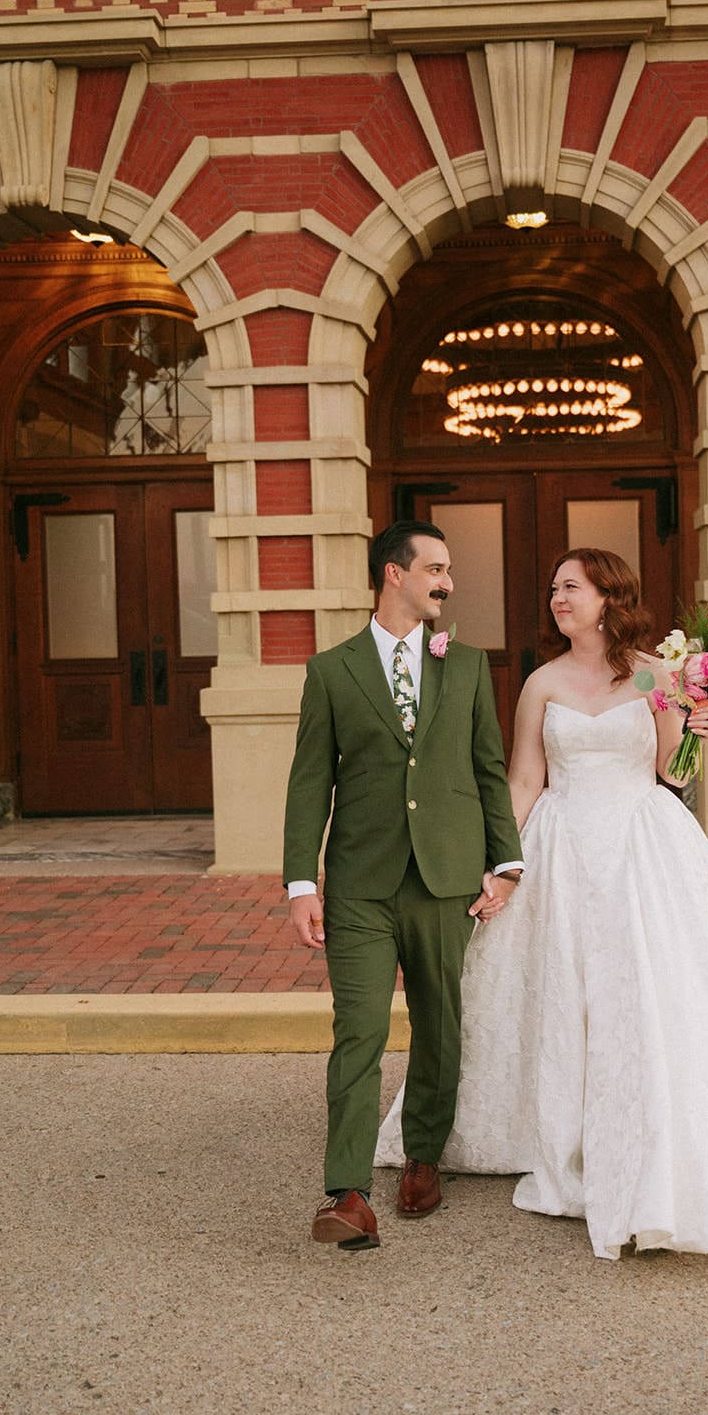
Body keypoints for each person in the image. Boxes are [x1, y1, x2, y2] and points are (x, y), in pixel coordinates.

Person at [376, 547, 708, 1261]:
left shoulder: (659, 674)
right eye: (553, 588)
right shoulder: (541, 682)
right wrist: (499, 861)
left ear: (608, 596)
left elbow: (671, 773)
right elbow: (525, 780)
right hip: (558, 846)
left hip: (638, 842)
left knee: (642, 987)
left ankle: (646, 1120)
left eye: (571, 587)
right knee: (555, 984)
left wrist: (699, 721)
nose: (557, 599)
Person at [283, 520, 523, 1251]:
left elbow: (488, 768)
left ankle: (423, 1154)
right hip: (359, 881)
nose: (447, 582)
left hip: (446, 876)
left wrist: (506, 863)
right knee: (356, 1028)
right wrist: (301, 881)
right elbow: (308, 782)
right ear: (395, 574)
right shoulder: (332, 670)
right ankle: (347, 1190)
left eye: (448, 570)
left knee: (439, 1022)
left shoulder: (468, 665)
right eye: (436, 569)